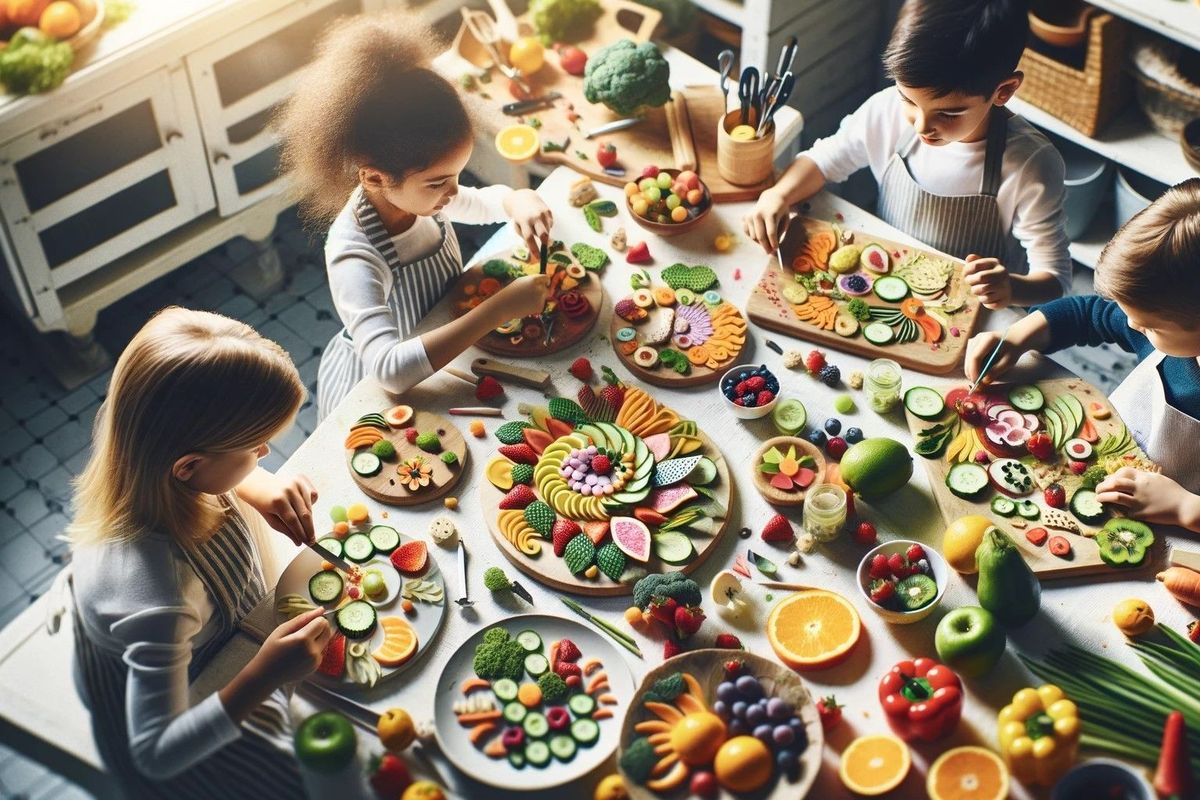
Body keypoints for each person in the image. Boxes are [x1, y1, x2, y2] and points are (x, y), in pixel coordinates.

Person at [69, 307, 329, 797]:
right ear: (189, 468)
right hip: (174, 701)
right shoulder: (159, 595)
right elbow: (156, 752)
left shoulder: (143, 438)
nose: (266, 457)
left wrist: (257, 484)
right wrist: (265, 674)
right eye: (256, 448)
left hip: (181, 634)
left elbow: (199, 462)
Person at [275, 12, 555, 420]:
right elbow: (390, 371)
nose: (454, 191)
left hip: (446, 344)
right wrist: (497, 309)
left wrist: (519, 199)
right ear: (374, 176)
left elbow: (479, 203)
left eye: (457, 175)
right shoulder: (355, 253)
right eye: (439, 181)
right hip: (391, 386)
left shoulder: (423, 197)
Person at [743, 0, 1070, 310]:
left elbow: (1055, 278)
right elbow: (825, 159)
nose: (922, 125)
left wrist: (1011, 289)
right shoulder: (885, 111)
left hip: (970, 310)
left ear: (1005, 90)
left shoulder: (1031, 165)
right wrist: (778, 195)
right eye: (908, 100)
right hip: (885, 284)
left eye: (949, 114)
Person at [965, 179, 1200, 531]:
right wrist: (1016, 338)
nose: (1133, 327)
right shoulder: (1174, 324)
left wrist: (1186, 508)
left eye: (1150, 327)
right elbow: (1088, 314)